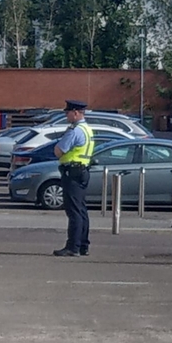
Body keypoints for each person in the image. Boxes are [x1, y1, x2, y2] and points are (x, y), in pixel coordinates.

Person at [52, 100, 95, 257]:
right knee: (81, 210)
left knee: (74, 211)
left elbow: (58, 151)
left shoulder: (75, 131)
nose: (66, 115)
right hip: (82, 171)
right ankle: (83, 245)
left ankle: (73, 247)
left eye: (68, 112)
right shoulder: (87, 129)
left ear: (76, 113)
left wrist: (59, 148)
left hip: (73, 172)